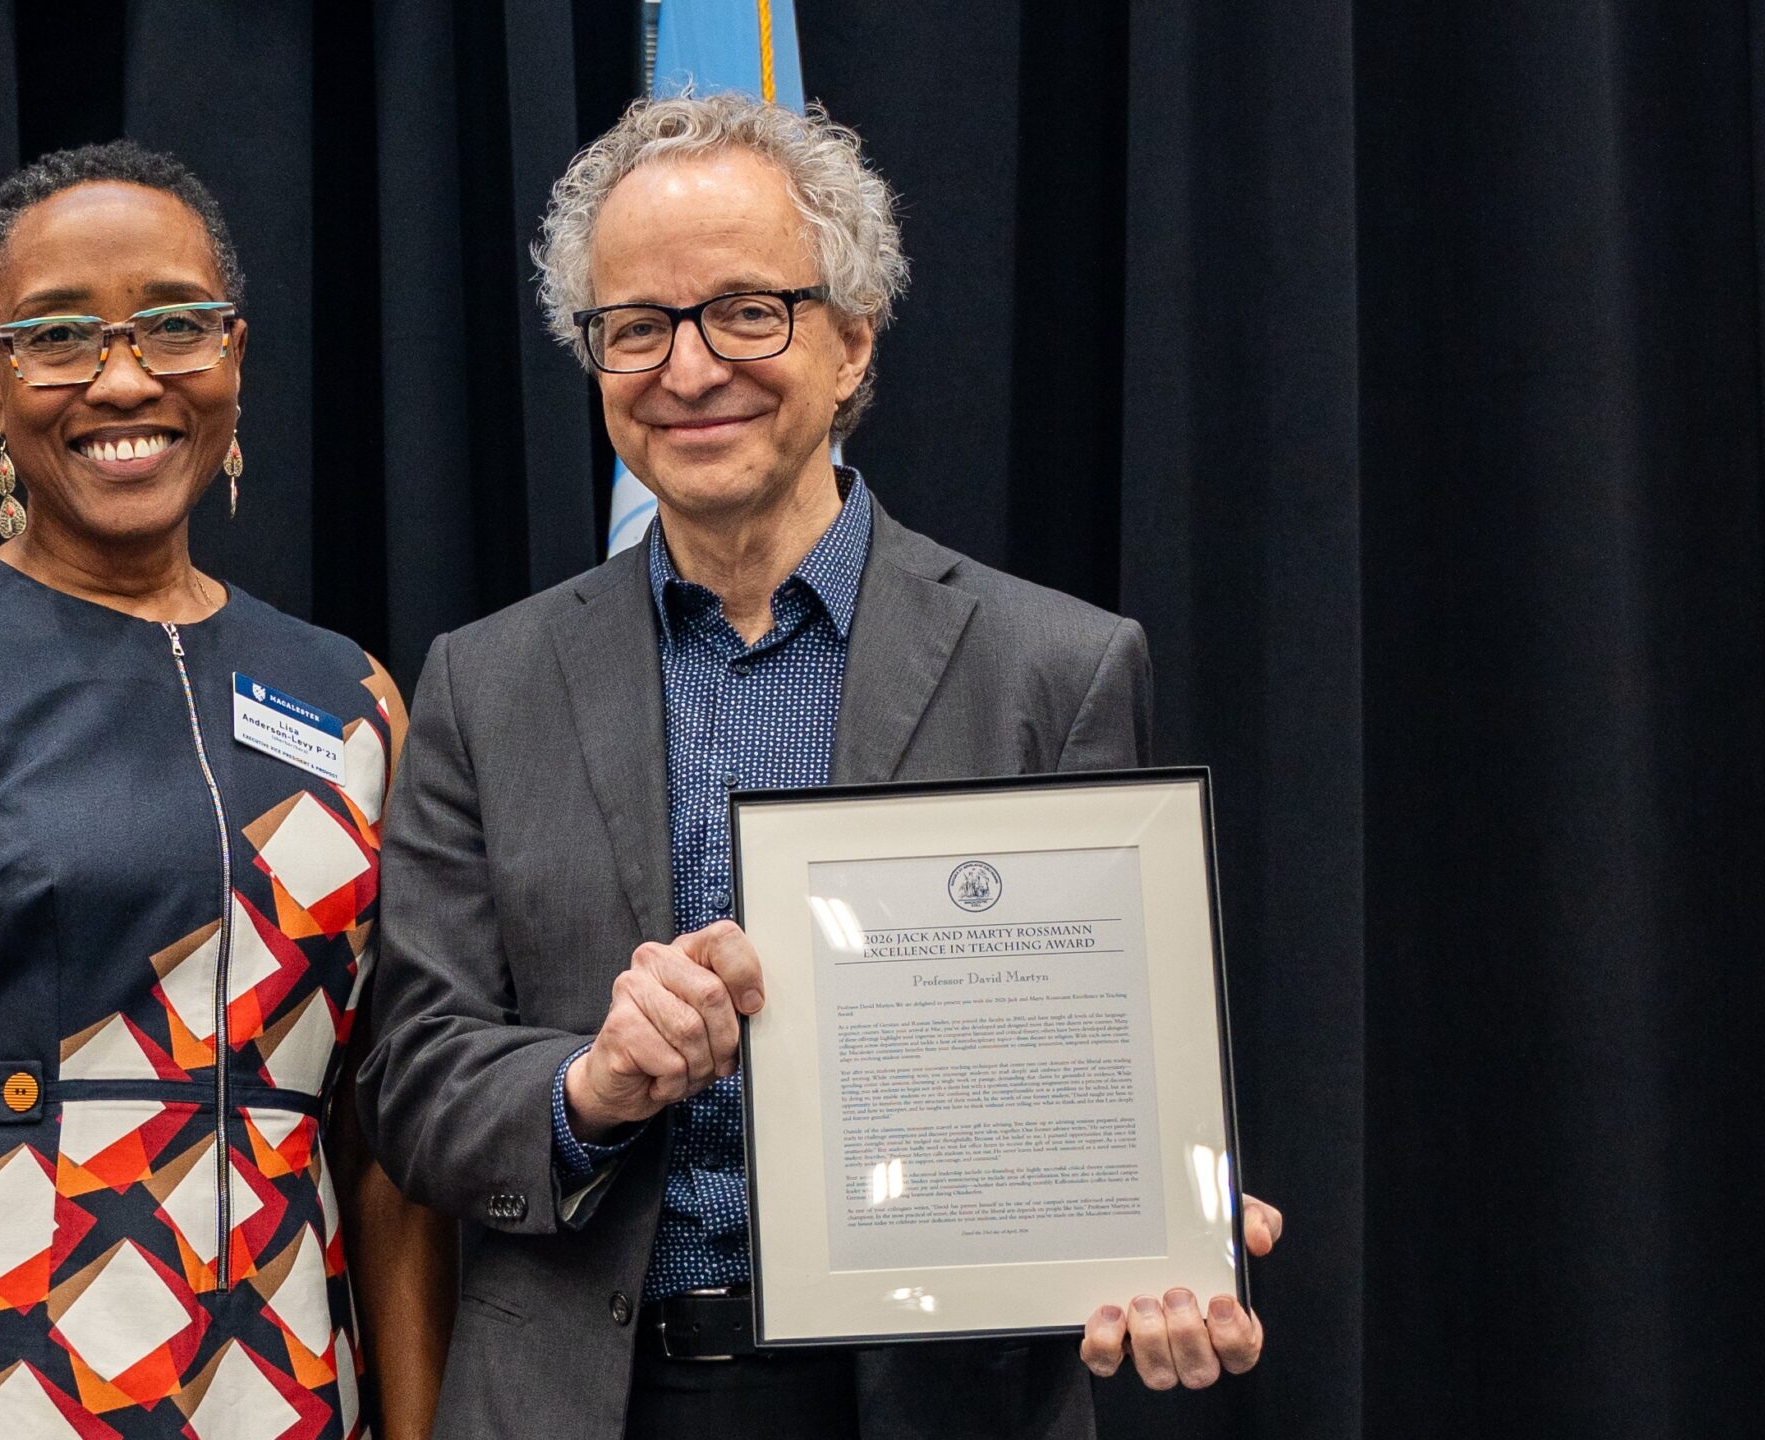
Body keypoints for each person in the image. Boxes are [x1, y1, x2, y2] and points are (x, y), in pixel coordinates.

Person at [358, 95, 1280, 1440]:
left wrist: (1158, 1234)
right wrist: (589, 1088)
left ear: (852, 341)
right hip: (579, 1401)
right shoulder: (484, 684)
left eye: (747, 310)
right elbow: (410, 1080)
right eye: (636, 326)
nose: (687, 369)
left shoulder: (1054, 669)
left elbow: (1101, 1071)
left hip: (932, 1407)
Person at [0, 140, 451, 1440]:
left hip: (288, 1381)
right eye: (58, 336)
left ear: (234, 353)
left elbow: (391, 1150)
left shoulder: (359, 699)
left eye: (173, 326)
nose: (123, 378)